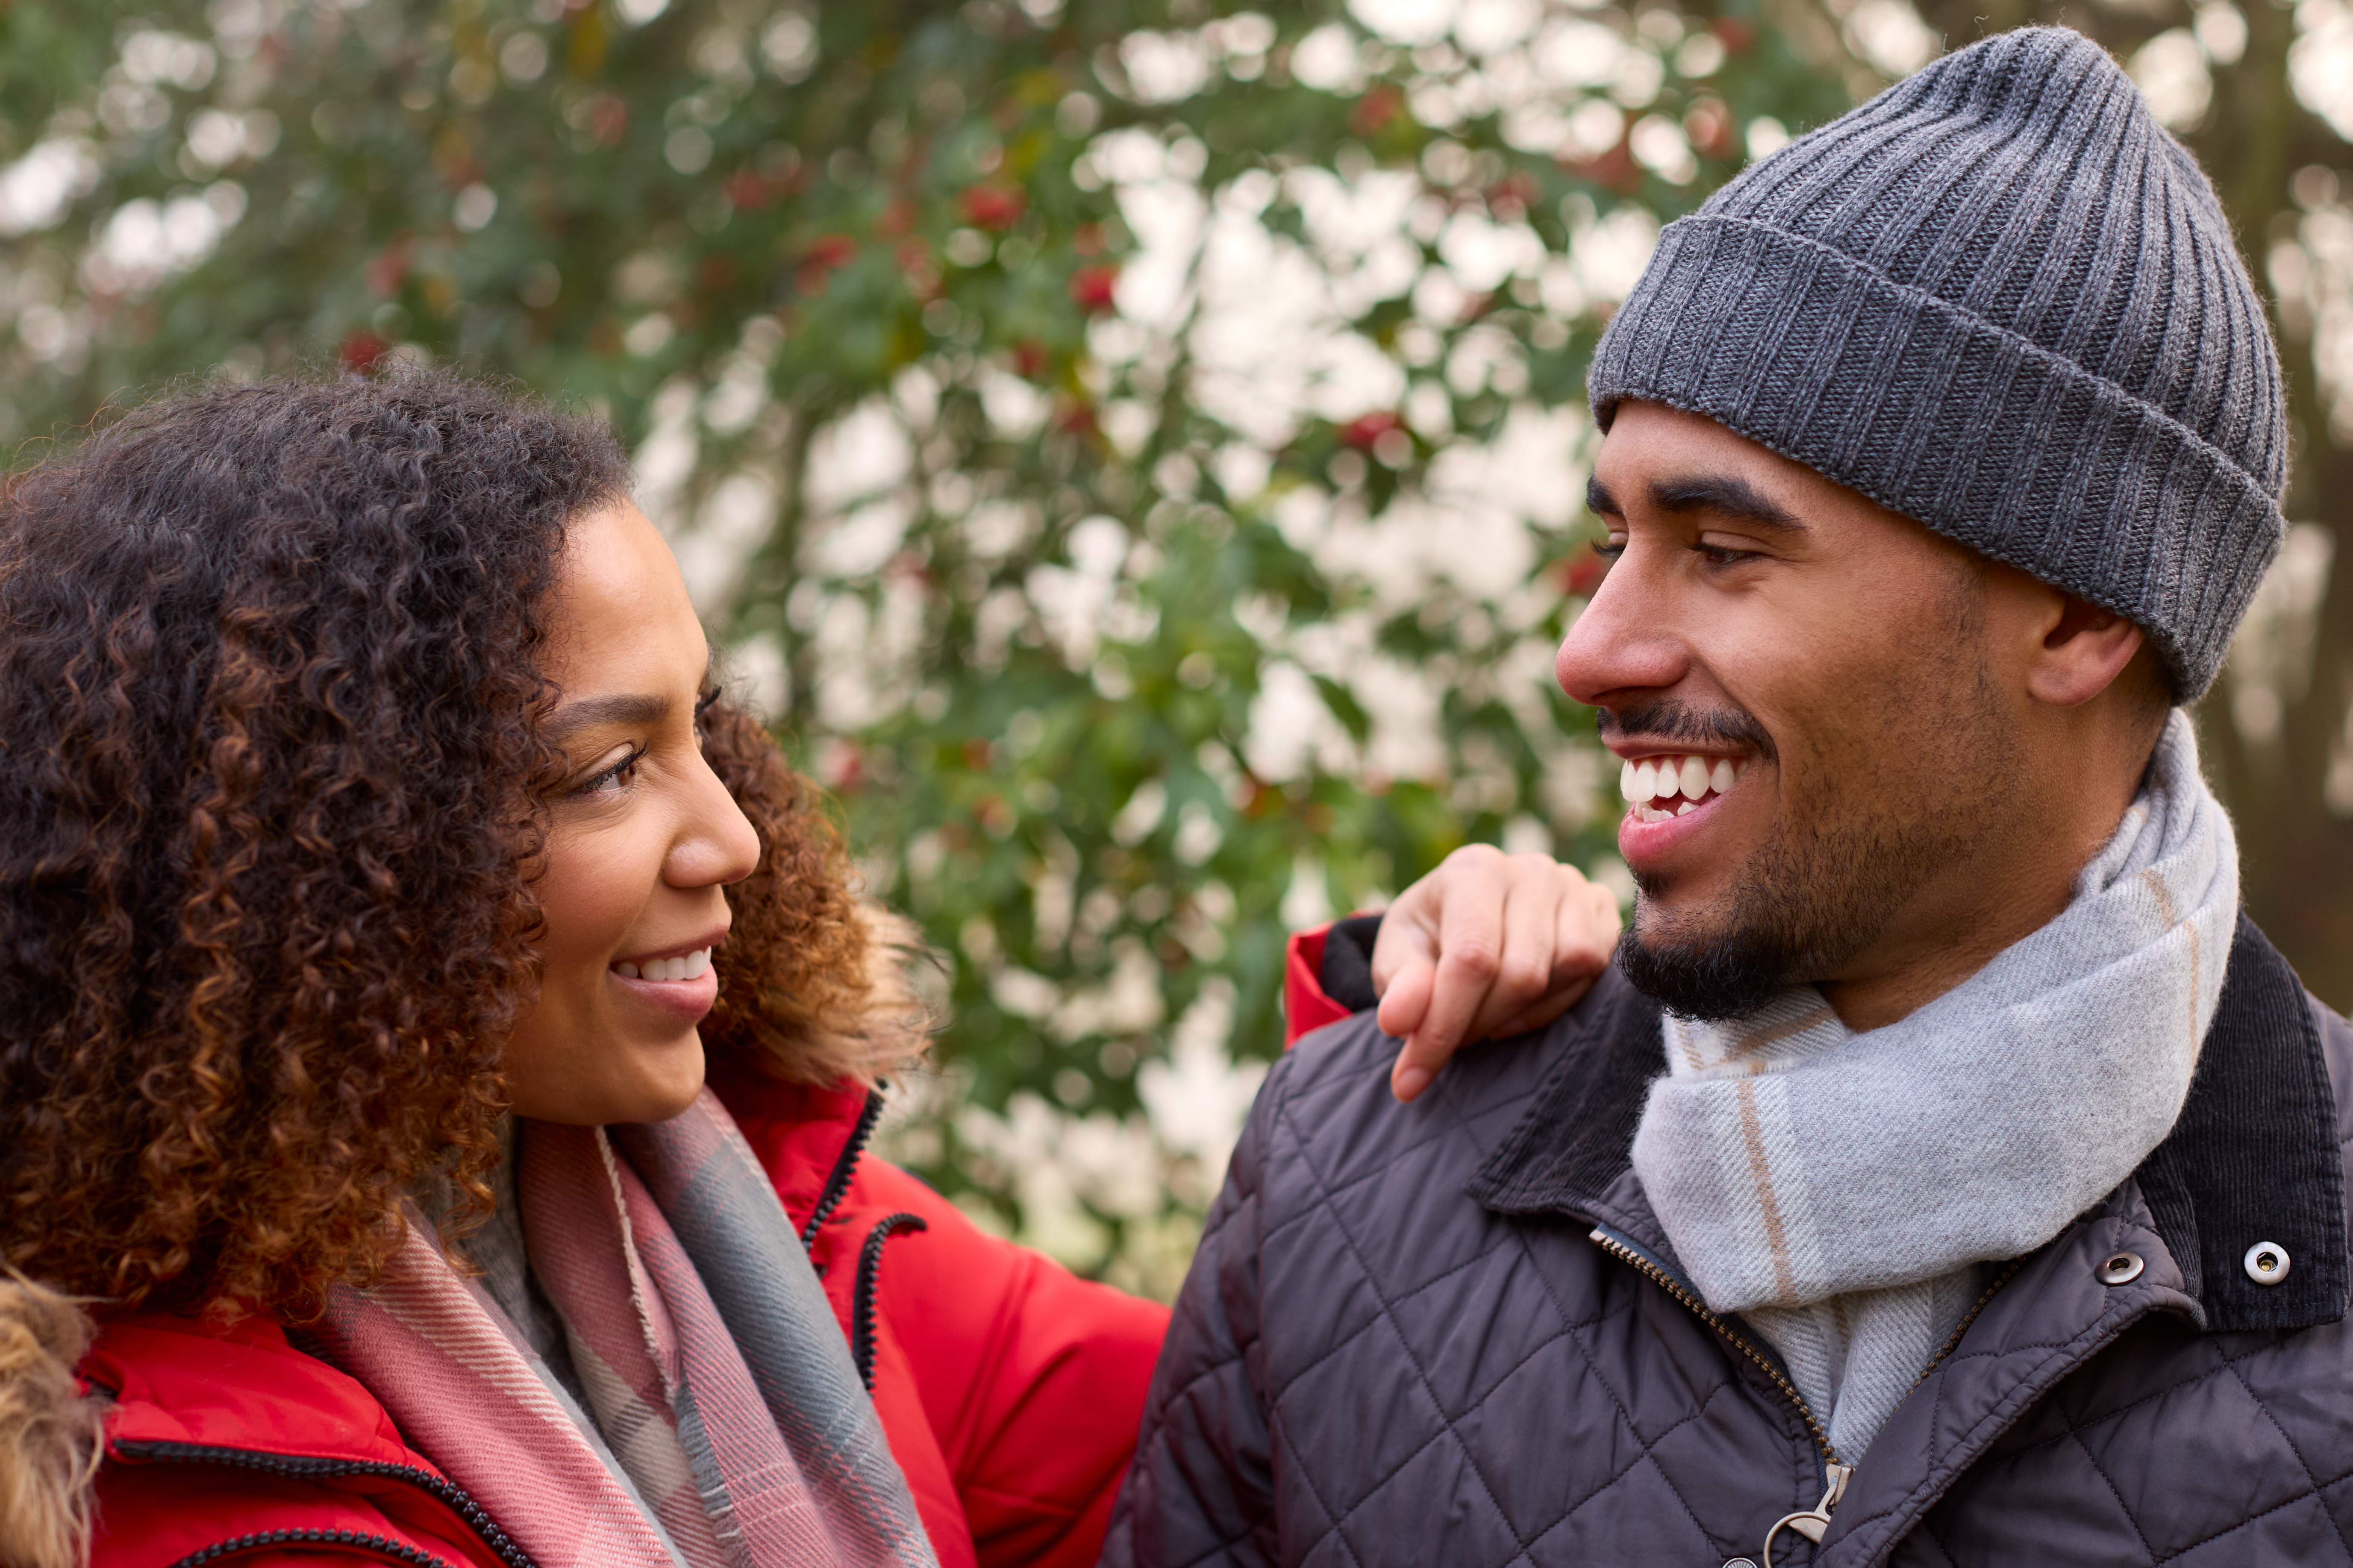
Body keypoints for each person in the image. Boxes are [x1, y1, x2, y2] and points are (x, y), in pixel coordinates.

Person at [0, 373, 1619, 1568]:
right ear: (331, 874)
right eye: (605, 773)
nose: (738, 838)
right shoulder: (147, 1483)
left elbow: (1295, 1430)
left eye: (701, 728)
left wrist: (1412, 1027)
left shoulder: (791, 1244)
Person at [1103, 27, 2353, 1568]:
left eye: (1725, 548)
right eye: (1614, 537)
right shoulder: (1348, 1162)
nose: (1591, 651)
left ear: (2080, 619)